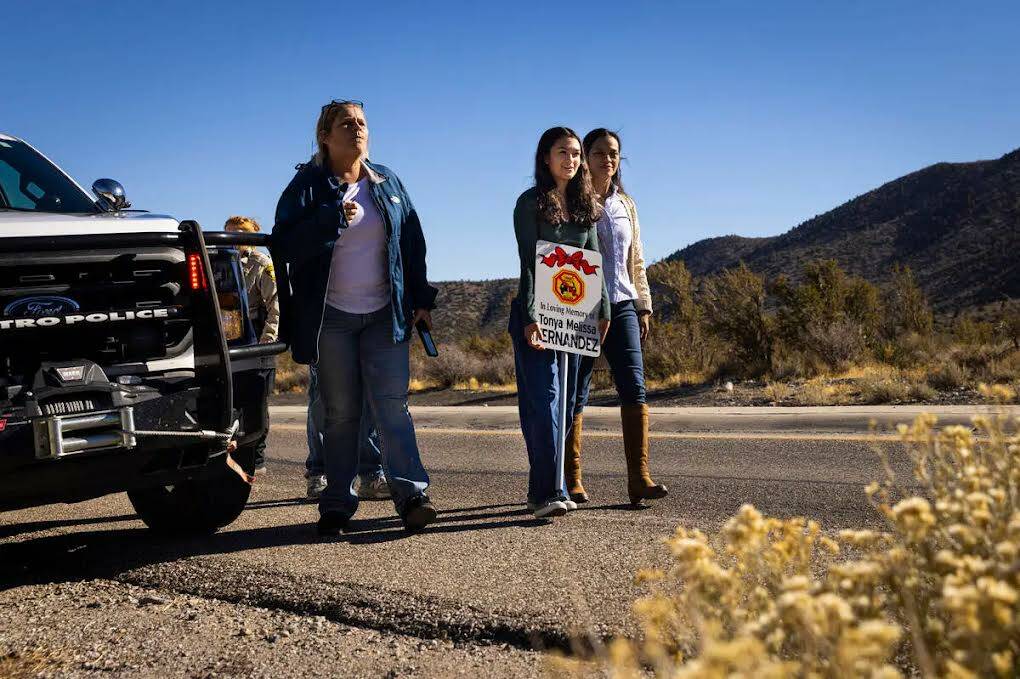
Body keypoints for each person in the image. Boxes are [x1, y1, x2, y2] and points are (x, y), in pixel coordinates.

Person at [273, 99, 438, 534]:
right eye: (346, 123)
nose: (357, 129)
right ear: (325, 136)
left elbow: (412, 242)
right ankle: (337, 504)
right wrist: (330, 219)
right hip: (333, 318)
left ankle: (411, 494)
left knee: (392, 407)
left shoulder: (387, 182)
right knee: (341, 412)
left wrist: (421, 298)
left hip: (386, 313)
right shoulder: (307, 186)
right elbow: (283, 246)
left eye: (362, 123)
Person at [510, 126, 610, 519]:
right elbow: (529, 264)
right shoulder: (530, 202)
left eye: (575, 154)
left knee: (568, 403)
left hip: (577, 316)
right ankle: (547, 491)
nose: (570, 160)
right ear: (545, 158)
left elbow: (595, 261)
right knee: (545, 399)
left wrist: (603, 312)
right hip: (537, 313)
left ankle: (555, 486)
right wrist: (532, 317)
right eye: (562, 152)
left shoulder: (586, 205)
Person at [569, 129, 667, 506]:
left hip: (623, 303)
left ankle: (639, 478)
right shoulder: (574, 200)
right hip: (582, 308)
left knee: (634, 388)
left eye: (613, 154)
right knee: (578, 389)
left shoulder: (626, 204)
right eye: (599, 153)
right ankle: (572, 477)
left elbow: (635, 259)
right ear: (585, 157)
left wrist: (644, 304)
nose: (607, 159)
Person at [224, 215, 280, 474]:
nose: (235, 239)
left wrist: (267, 342)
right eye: (230, 233)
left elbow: (274, 308)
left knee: (257, 400)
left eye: (241, 233)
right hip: (230, 337)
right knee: (231, 399)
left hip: (257, 336)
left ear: (252, 235)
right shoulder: (221, 264)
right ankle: (233, 452)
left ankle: (257, 458)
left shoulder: (261, 264)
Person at [305, 365, 389, 500]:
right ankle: (319, 472)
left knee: (366, 395)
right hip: (321, 344)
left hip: (364, 343)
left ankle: (371, 475)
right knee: (323, 396)